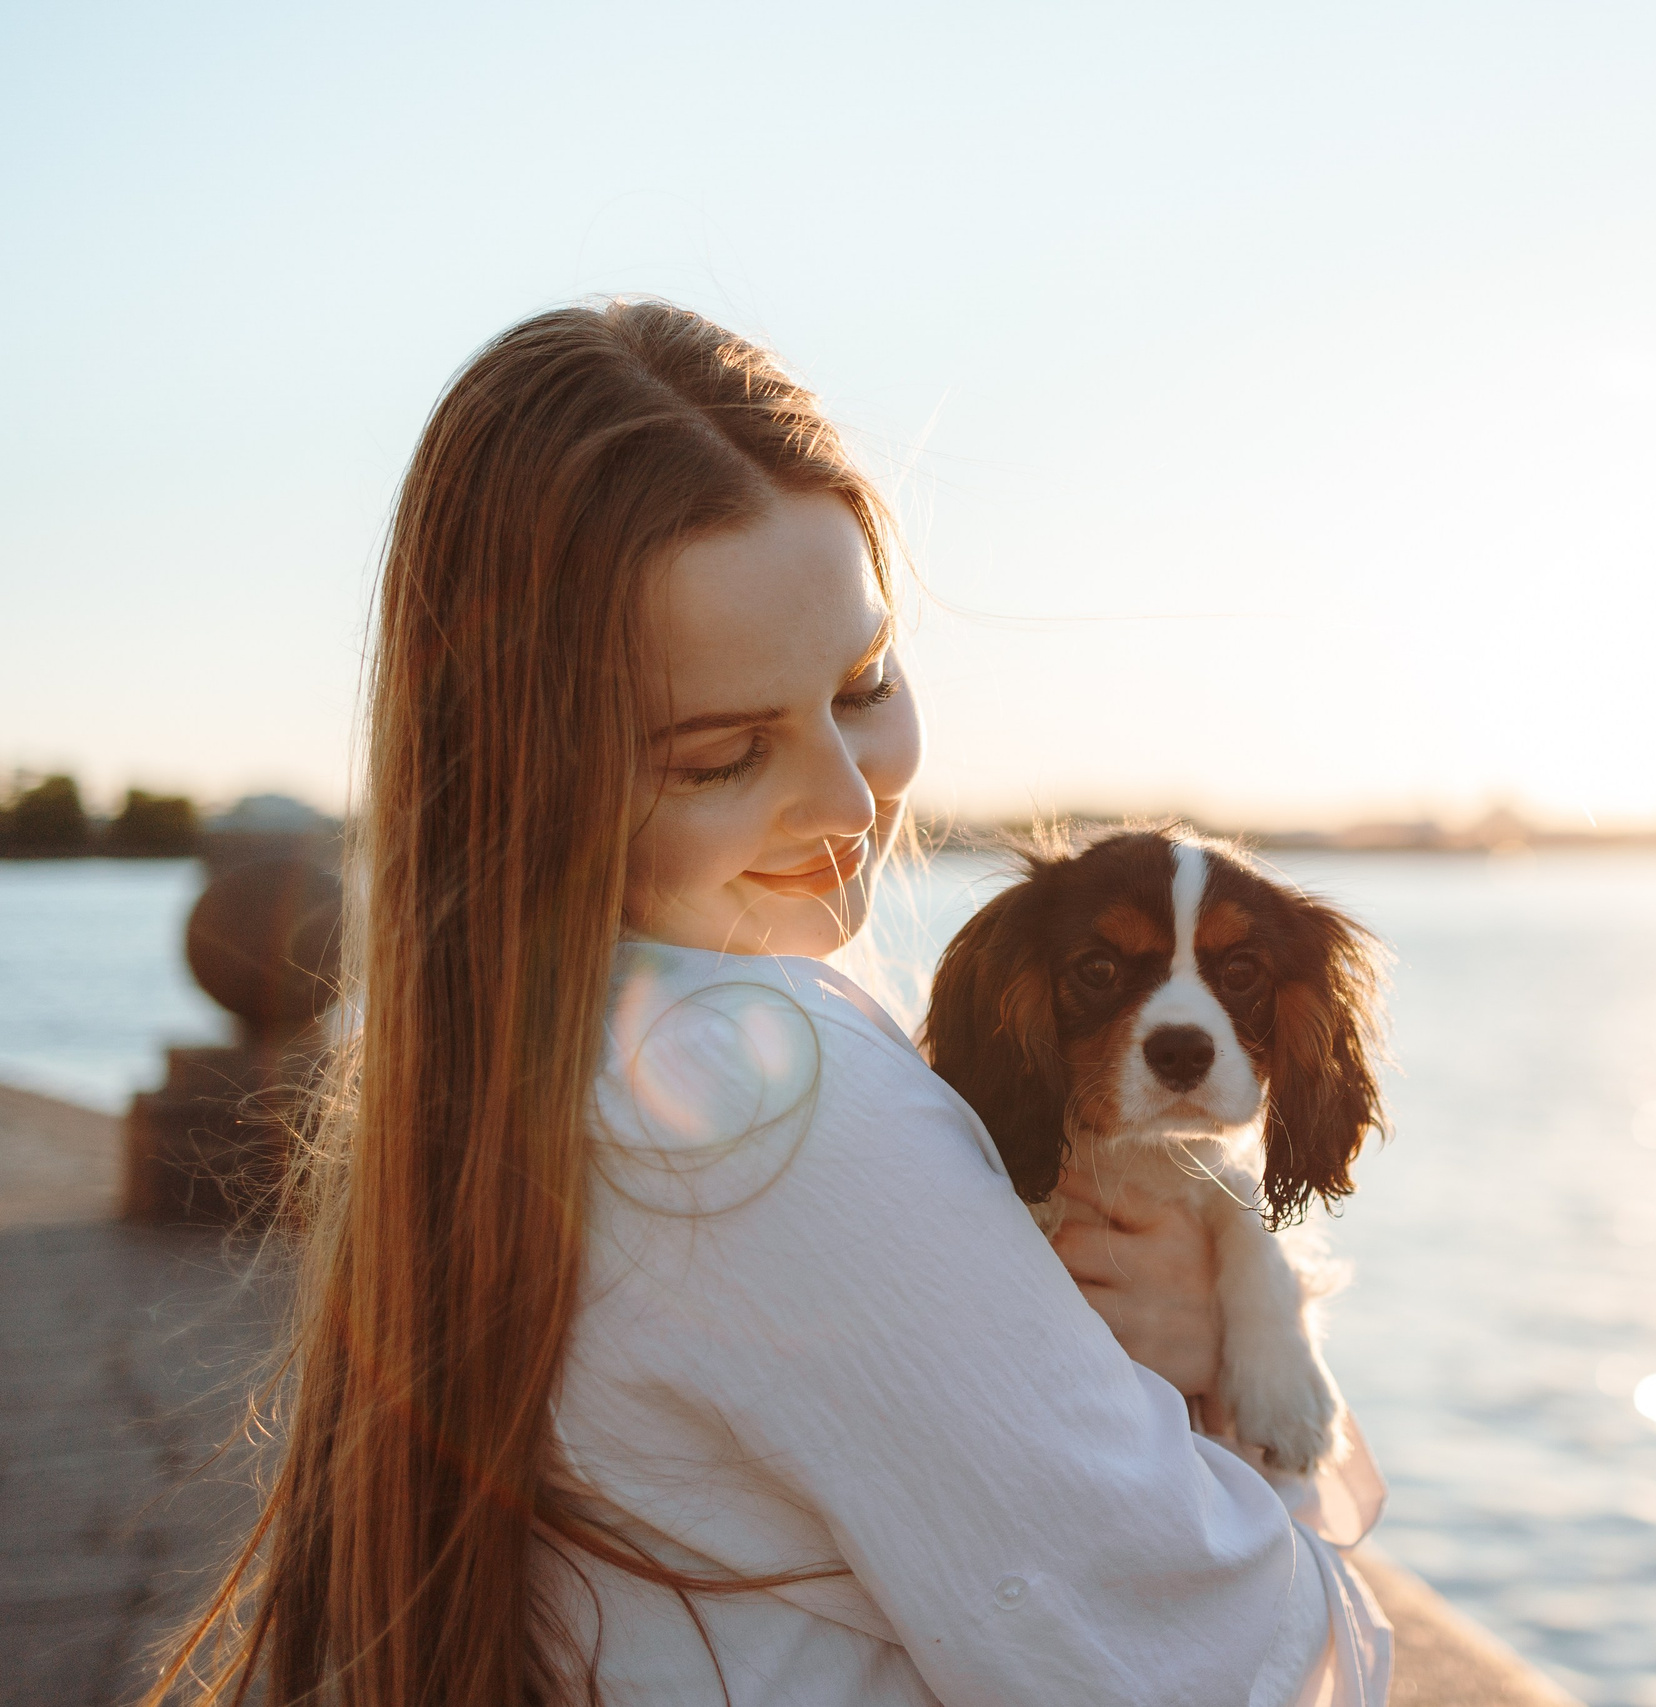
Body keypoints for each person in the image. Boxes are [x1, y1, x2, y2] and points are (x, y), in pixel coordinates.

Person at [147, 300, 1389, 1706]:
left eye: (864, 686)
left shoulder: (512, 1062)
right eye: (720, 755)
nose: (850, 802)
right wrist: (1266, 1424)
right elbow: (1239, 1669)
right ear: (533, 781)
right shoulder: (769, 1108)